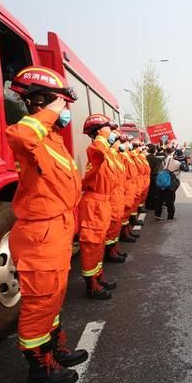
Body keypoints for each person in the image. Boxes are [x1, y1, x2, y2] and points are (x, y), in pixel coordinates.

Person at [6, 66, 86, 383]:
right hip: (40, 235)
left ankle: (54, 350)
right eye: (61, 103)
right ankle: (40, 367)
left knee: (53, 297)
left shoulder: (52, 139)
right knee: (40, 303)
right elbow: (20, 134)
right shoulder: (31, 135)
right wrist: (47, 113)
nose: (65, 110)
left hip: (56, 231)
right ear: (41, 101)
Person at [79, 114, 119, 300]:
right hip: (94, 205)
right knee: (91, 246)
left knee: (99, 244)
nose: (112, 133)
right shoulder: (96, 150)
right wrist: (102, 137)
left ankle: (98, 276)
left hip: (102, 204)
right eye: (108, 129)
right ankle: (91, 287)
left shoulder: (107, 154)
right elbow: (98, 150)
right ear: (98, 132)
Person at [103, 130, 128, 263]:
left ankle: (114, 249)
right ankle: (110, 253)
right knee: (112, 226)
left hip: (118, 195)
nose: (123, 144)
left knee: (116, 225)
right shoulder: (106, 155)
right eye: (120, 141)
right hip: (112, 197)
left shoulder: (116, 156)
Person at [154, 146, 181, 220]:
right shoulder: (177, 163)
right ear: (173, 153)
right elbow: (184, 169)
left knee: (159, 199)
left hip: (161, 181)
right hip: (170, 183)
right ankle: (170, 216)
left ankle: (157, 214)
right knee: (170, 200)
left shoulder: (163, 160)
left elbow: (159, 169)